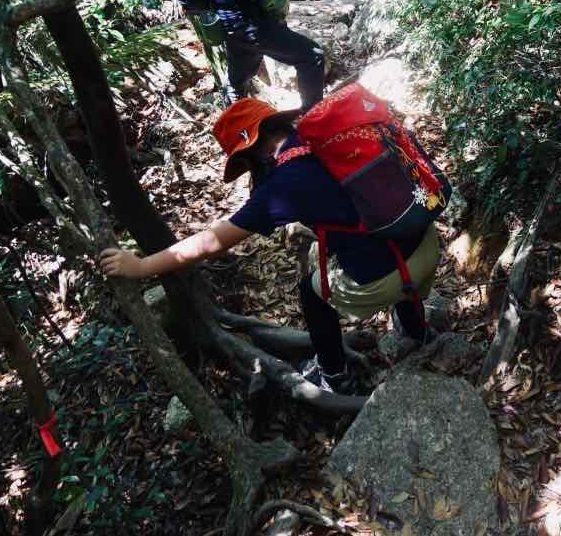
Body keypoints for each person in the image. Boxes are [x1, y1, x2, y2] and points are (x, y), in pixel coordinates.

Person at [99, 98, 439, 394]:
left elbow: (211, 242)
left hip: (398, 271)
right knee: (331, 249)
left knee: (312, 294)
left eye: (244, 163)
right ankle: (417, 330)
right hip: (425, 239)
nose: (248, 172)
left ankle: (333, 375)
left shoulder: (283, 184)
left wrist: (141, 267)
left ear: (252, 150)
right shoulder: (318, 138)